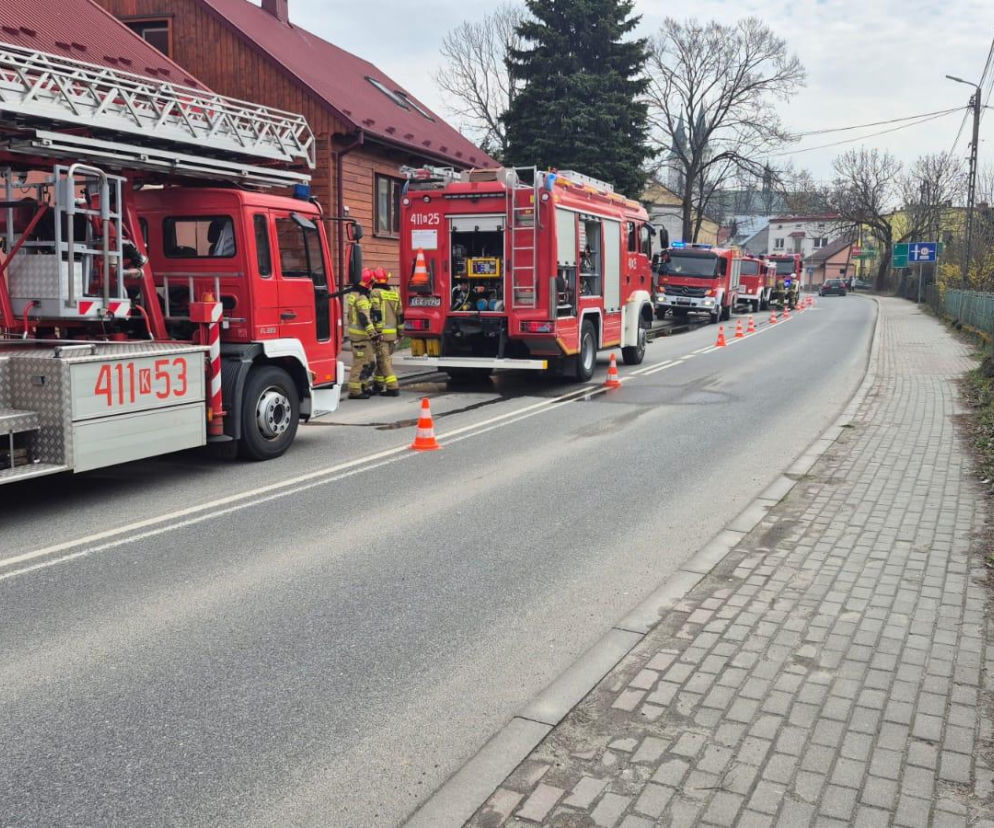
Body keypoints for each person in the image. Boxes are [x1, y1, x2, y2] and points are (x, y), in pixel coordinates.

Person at [369, 267, 403, 396]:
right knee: (382, 359)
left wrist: (377, 332)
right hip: (393, 334)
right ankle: (378, 385)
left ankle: (393, 387)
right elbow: (400, 315)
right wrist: (401, 333)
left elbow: (376, 313)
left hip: (381, 335)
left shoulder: (375, 293)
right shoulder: (395, 293)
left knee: (384, 361)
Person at [346, 269, 378, 399]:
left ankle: (363, 386)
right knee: (360, 363)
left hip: (358, 336)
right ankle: (355, 390)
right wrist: (373, 333)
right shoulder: (362, 297)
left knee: (369, 362)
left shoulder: (353, 294)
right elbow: (364, 317)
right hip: (362, 336)